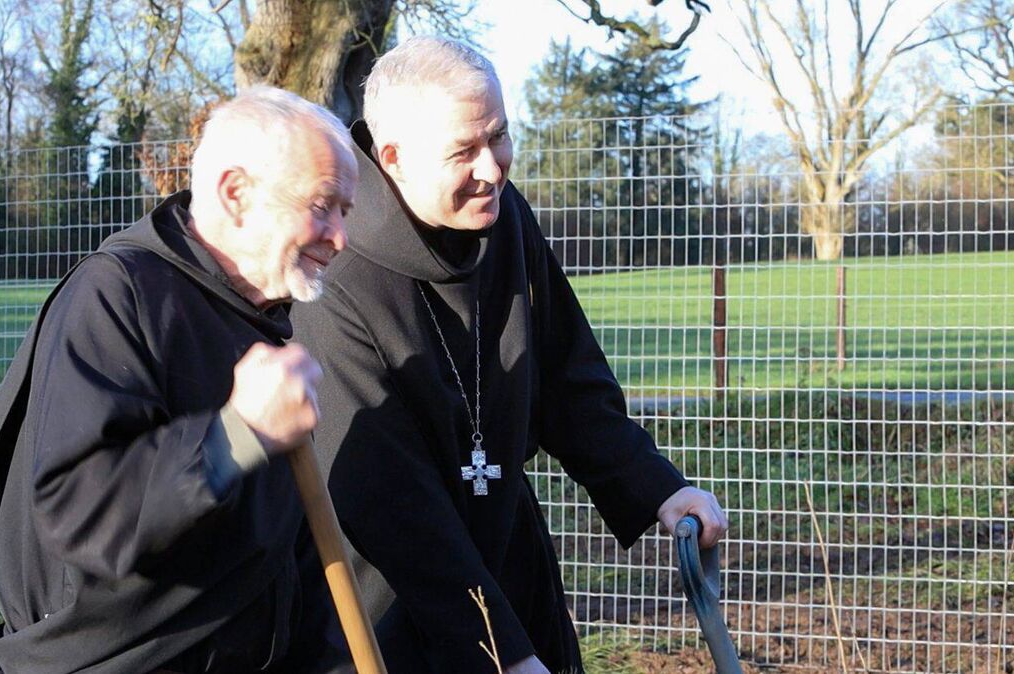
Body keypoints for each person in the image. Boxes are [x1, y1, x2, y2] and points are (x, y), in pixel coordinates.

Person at [290, 36, 729, 674]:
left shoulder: (500, 213)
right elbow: (390, 505)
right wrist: (506, 655)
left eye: (498, 136)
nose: (493, 168)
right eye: (464, 150)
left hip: (508, 550)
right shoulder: (336, 272)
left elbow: (566, 378)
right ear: (394, 159)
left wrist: (654, 485)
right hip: (389, 596)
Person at [0, 86, 358, 674]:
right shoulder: (117, 297)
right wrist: (239, 432)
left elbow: (284, 549)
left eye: (345, 212)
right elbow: (79, 511)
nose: (340, 237)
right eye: (322, 205)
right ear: (236, 193)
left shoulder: (262, 317)